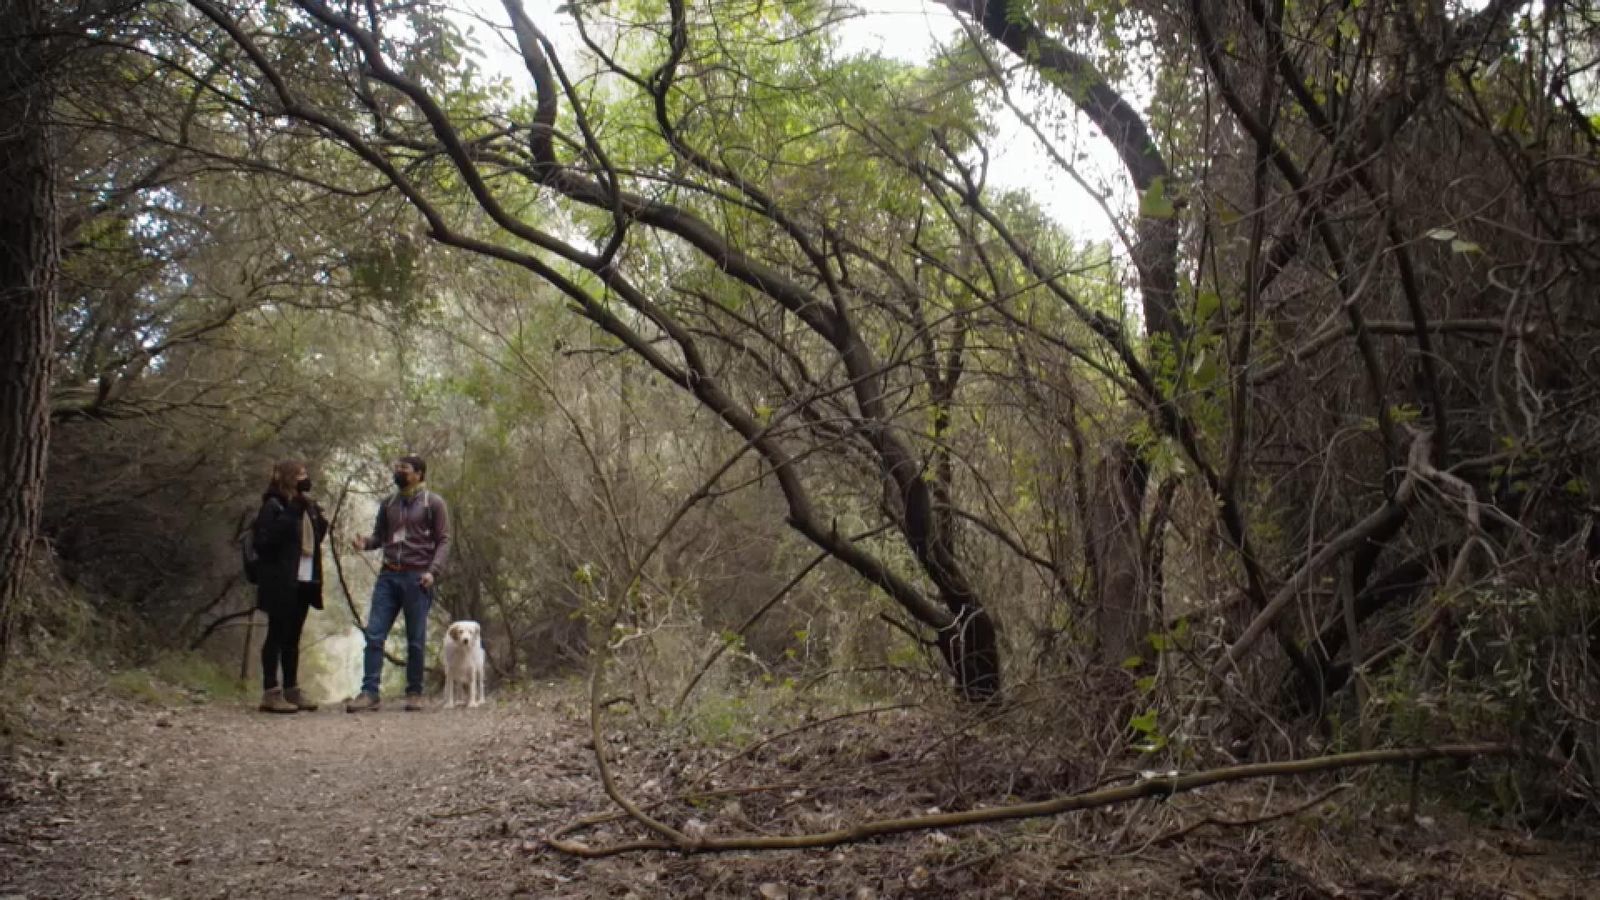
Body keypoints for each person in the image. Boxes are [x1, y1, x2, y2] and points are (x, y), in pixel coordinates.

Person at [346, 455, 450, 712]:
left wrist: (433, 571)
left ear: (419, 473)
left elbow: (444, 540)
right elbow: (380, 537)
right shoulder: (388, 504)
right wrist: (365, 544)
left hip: (418, 578)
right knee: (374, 633)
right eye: (397, 468)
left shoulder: (433, 503)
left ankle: (414, 693)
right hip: (388, 575)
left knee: (415, 639)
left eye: (404, 468)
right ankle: (369, 692)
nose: (398, 472)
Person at [252, 460, 328, 713]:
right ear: (286, 477)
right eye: (299, 475)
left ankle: (292, 689)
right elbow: (266, 541)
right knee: (276, 633)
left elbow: (313, 538)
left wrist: (319, 519)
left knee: (293, 636)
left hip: (305, 578)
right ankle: (270, 691)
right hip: (280, 580)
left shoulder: (306, 504)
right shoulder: (273, 505)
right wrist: (294, 510)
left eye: (305, 473)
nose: (304, 478)